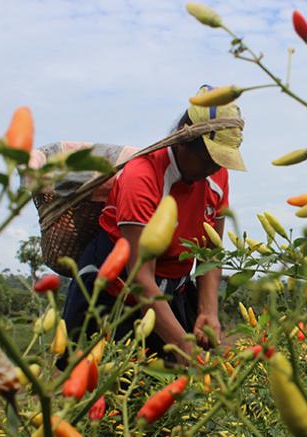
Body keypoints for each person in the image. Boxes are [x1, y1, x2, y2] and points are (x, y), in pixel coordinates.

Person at [59, 86, 245, 367]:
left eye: (219, 160)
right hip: (114, 295)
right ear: (184, 137)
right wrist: (185, 347)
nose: (213, 167)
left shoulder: (216, 174)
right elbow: (140, 277)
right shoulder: (143, 176)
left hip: (170, 291)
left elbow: (211, 253)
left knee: (168, 390)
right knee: (103, 386)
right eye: (207, 157)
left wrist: (209, 310)